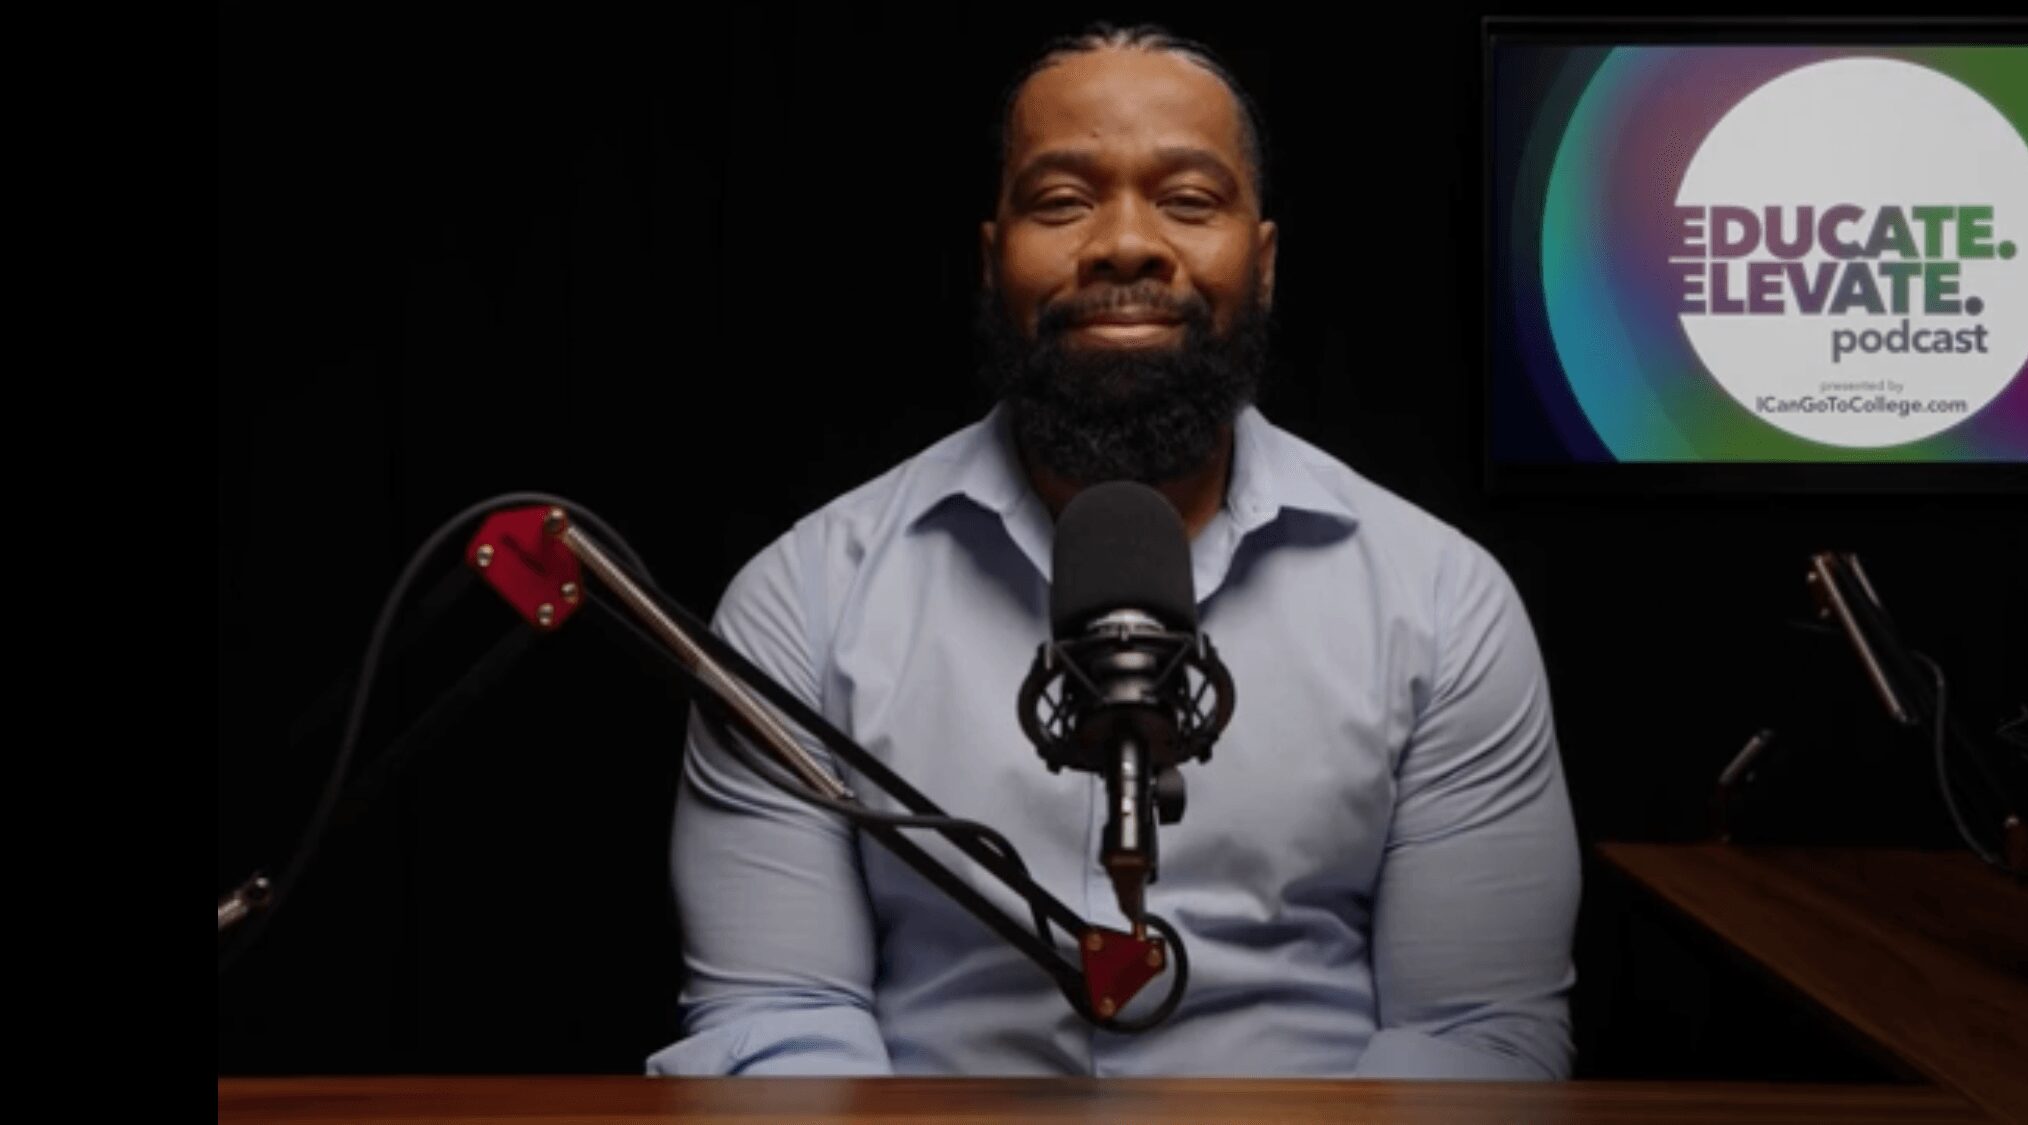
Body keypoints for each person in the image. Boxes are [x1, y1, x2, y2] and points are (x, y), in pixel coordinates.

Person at [646, 23, 1579, 1079]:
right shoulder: (802, 602)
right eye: (1061, 202)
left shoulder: (1443, 602)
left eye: (1188, 199)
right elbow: (781, 1017)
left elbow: (1475, 1038)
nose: (1126, 243)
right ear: (992, 259)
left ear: (1265, 264)